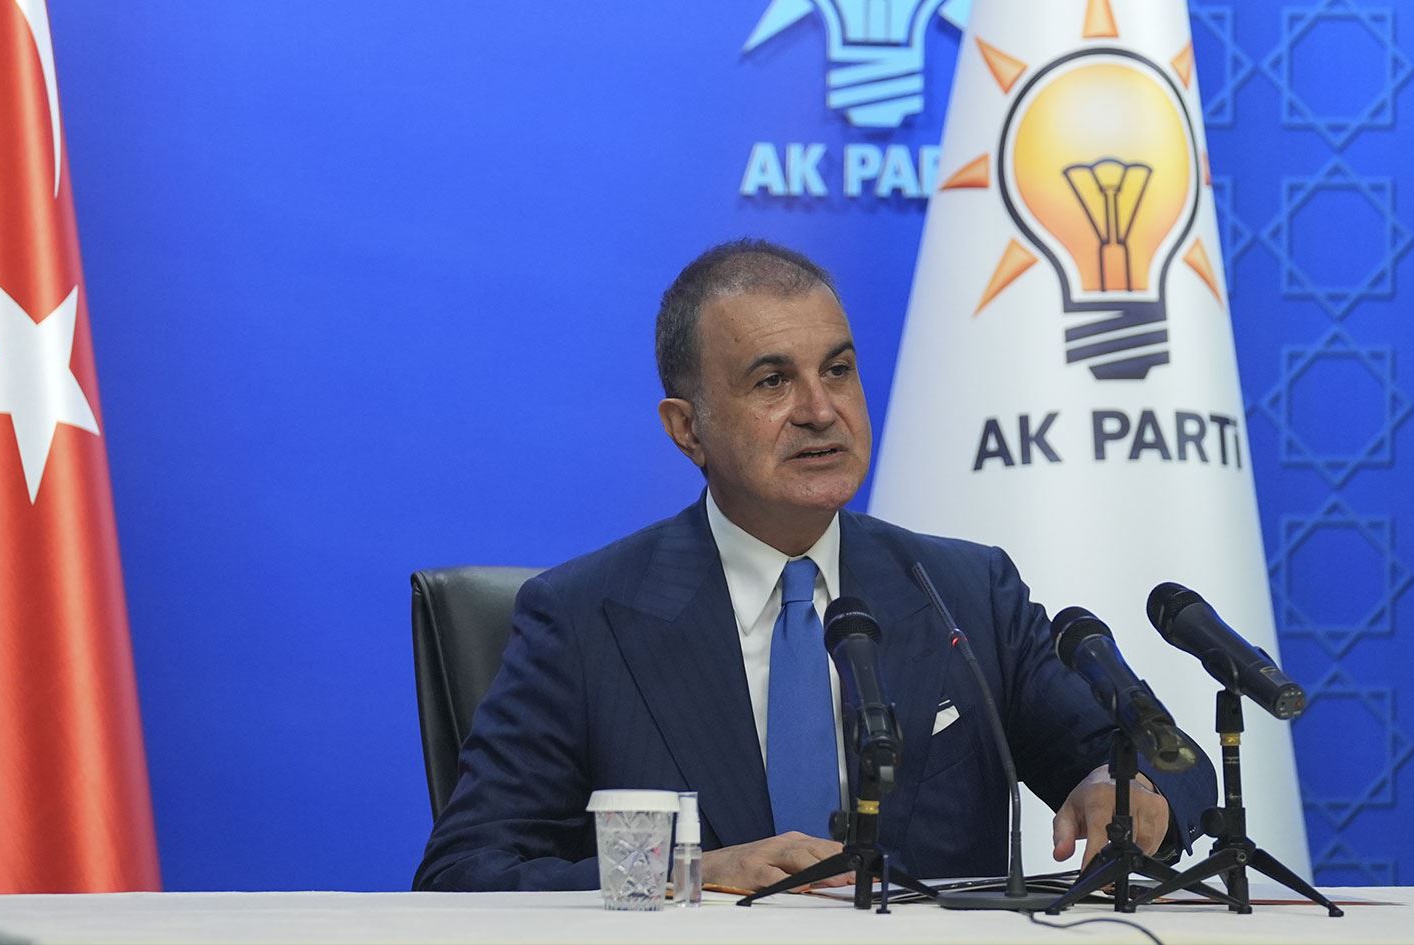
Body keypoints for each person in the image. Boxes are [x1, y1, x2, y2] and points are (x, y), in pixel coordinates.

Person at [414, 239, 1216, 892]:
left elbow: (1167, 763)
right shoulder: (582, 619)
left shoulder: (967, 593)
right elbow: (465, 869)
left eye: (837, 369)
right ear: (687, 429)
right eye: (773, 381)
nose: (821, 409)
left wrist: (1125, 792)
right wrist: (688, 872)